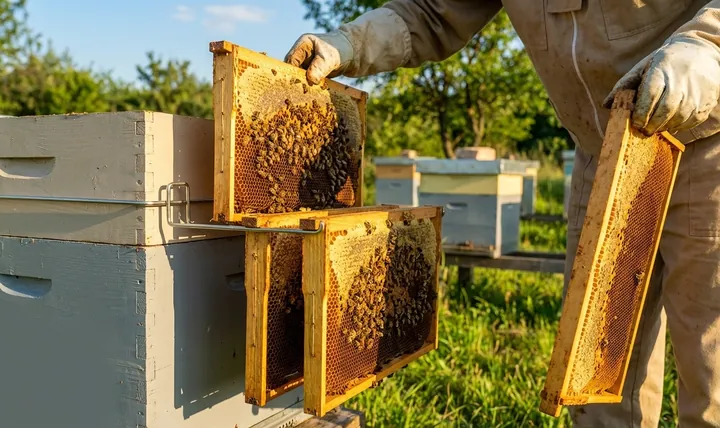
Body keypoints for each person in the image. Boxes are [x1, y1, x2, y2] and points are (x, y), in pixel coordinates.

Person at [284, 1, 720, 426]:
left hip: (705, 143)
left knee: (710, 375)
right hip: (602, 155)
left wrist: (707, 50)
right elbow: (432, 12)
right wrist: (347, 42)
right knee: (596, 383)